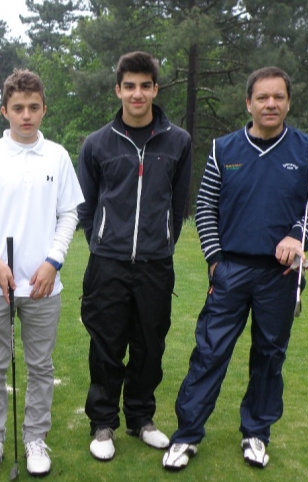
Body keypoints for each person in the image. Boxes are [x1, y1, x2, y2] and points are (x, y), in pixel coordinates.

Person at [162, 66, 308, 471]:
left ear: (288, 102)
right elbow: (204, 206)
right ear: (249, 103)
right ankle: (187, 435)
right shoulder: (225, 149)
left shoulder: (307, 149)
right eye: (262, 97)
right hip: (231, 269)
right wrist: (214, 260)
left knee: (270, 355)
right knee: (209, 351)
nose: (270, 104)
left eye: (278, 97)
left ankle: (256, 432)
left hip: (281, 274)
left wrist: (299, 234)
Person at [0, 69, 84, 479]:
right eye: (18, 108)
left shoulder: (59, 156)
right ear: (5, 110)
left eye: (33, 107)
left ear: (44, 109)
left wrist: (54, 261)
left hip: (43, 284)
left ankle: (35, 437)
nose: (26, 115)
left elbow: (69, 213)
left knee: (40, 365)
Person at [77, 51, 193, 461]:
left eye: (145, 85)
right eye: (130, 86)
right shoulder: (96, 144)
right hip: (106, 262)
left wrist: (160, 243)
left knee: (149, 345)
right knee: (105, 345)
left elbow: (178, 206)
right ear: (118, 90)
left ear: (156, 89)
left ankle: (141, 417)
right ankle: (102, 423)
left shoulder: (177, 141)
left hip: (155, 265)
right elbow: (87, 206)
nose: (137, 93)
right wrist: (102, 242)